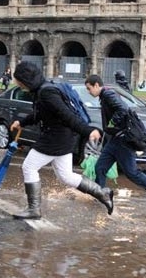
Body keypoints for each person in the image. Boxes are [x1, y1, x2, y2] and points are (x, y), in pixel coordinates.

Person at [9, 61, 114, 220]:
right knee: (65, 175)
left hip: (56, 138)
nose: (16, 83)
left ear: (25, 80)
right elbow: (40, 114)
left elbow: (66, 115)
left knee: (29, 167)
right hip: (64, 138)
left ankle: (34, 209)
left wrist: (87, 130)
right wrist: (21, 122)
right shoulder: (43, 89)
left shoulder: (46, 93)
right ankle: (103, 193)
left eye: (18, 80)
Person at [84, 74, 146, 213]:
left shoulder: (108, 94)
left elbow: (122, 109)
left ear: (97, 85)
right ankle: (100, 196)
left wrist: (112, 123)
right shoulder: (105, 96)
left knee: (132, 173)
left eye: (89, 88)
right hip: (114, 141)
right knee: (100, 168)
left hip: (122, 140)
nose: (88, 92)